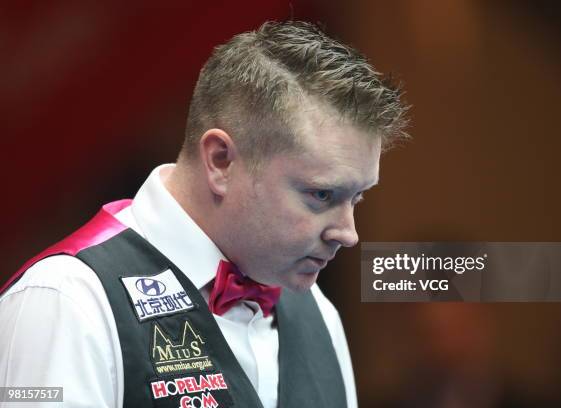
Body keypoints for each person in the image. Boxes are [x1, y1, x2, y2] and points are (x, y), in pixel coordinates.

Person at [0, 21, 407, 407]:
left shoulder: (317, 312)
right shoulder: (65, 300)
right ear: (220, 161)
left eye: (357, 199)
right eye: (321, 194)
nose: (348, 233)